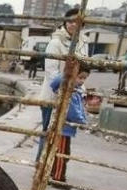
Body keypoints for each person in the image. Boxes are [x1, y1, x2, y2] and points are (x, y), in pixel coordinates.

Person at [36, 8, 89, 161]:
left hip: (72, 96)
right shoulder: (55, 42)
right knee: (48, 130)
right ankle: (41, 162)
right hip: (52, 95)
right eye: (70, 21)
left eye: (77, 22)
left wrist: (80, 90)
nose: (73, 24)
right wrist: (64, 87)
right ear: (65, 22)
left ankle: (54, 166)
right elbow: (50, 71)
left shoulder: (84, 42)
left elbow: (84, 69)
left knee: (64, 132)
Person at [48, 67, 90, 185]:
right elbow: (73, 111)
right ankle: (58, 178)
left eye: (84, 78)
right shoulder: (70, 91)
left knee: (59, 153)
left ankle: (53, 173)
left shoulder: (74, 90)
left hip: (64, 128)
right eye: (80, 77)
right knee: (62, 154)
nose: (82, 81)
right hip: (64, 129)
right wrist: (82, 121)